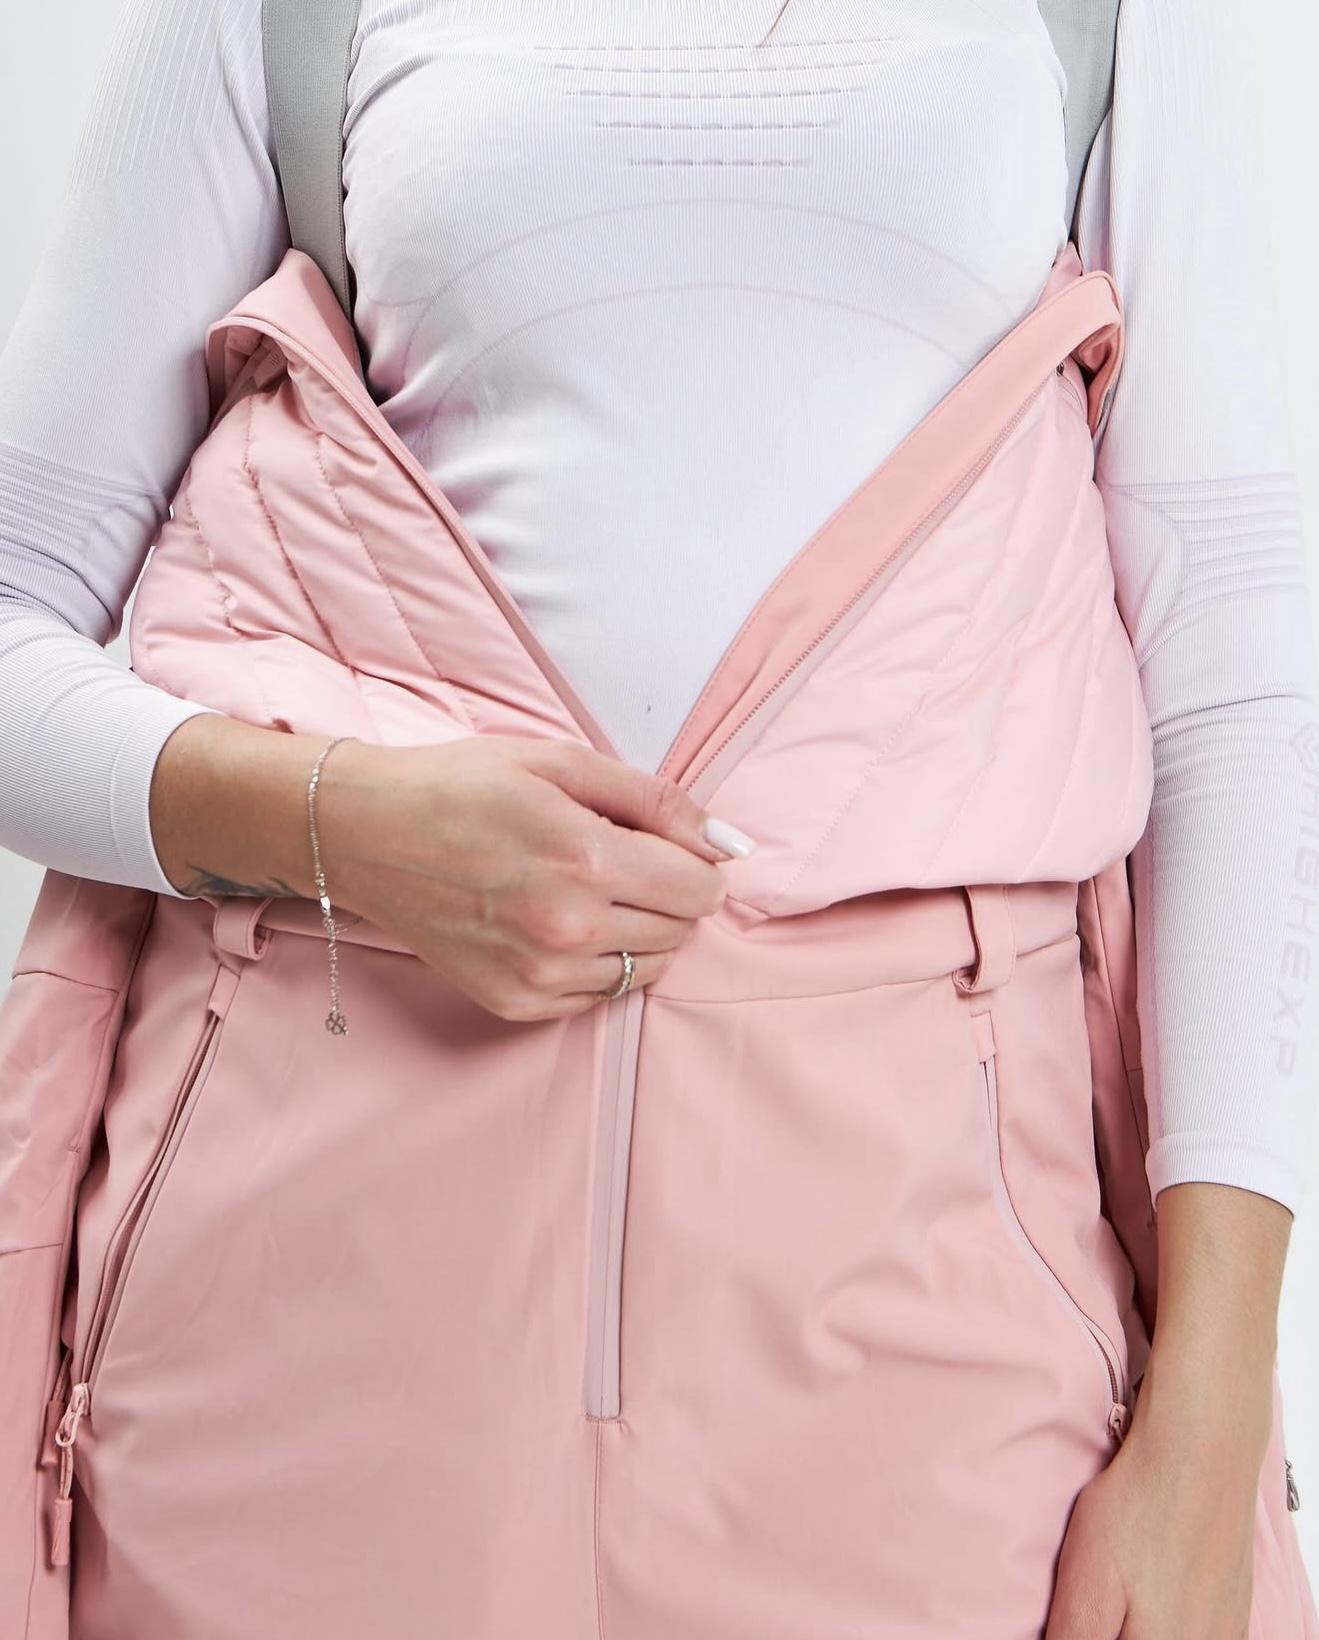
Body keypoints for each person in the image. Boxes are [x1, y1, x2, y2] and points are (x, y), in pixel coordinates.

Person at [0, 1, 1314, 1633]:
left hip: (927, 1350)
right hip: (293, 1321)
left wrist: (1211, 1420)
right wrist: (339, 822)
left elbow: (1235, 692)